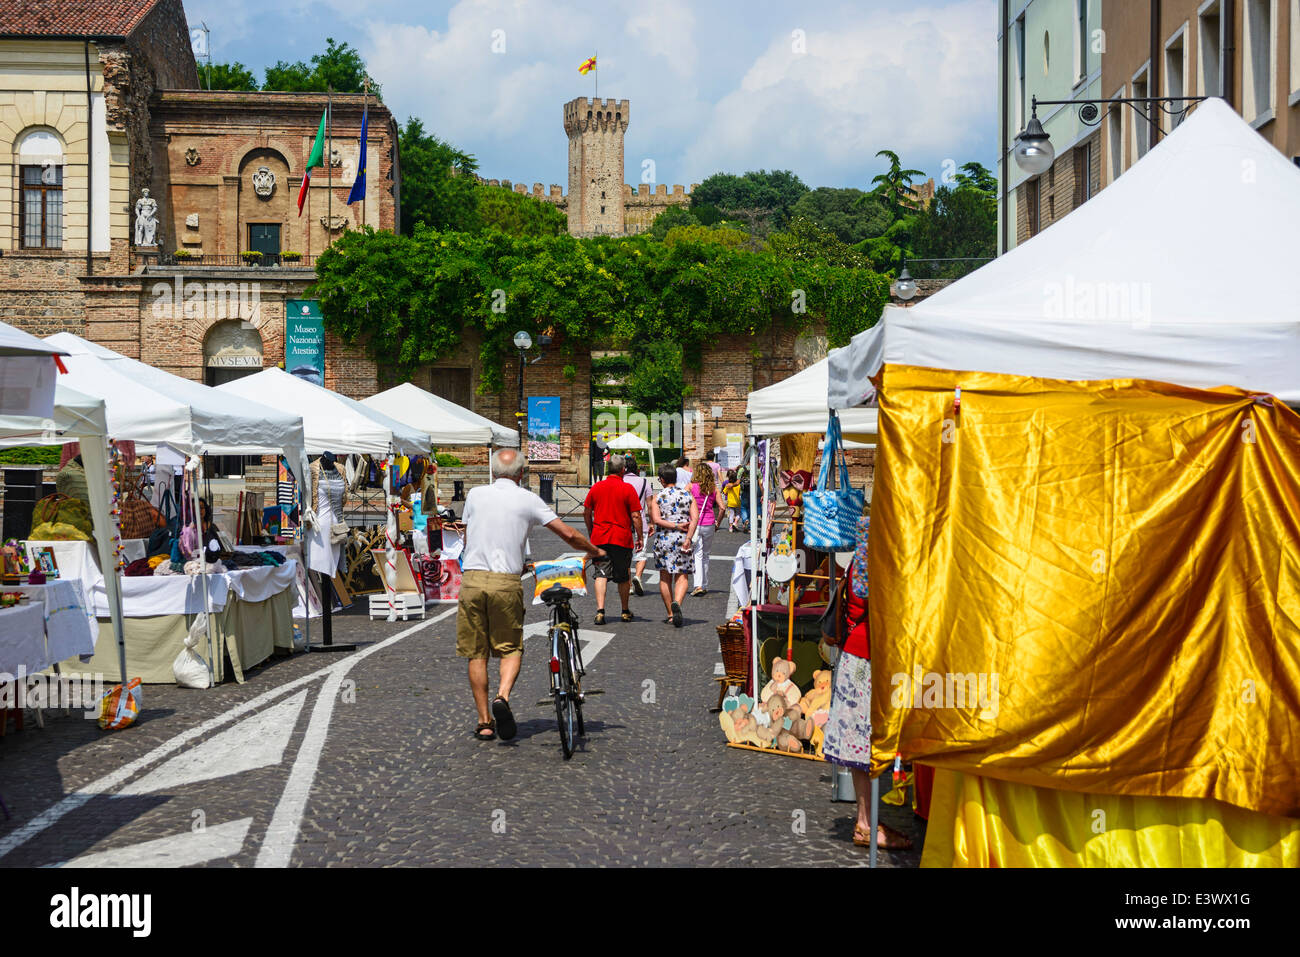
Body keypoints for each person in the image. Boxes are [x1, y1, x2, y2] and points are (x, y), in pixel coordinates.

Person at [459, 448, 603, 742]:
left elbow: (471, 531)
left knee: (477, 652)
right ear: (521, 474)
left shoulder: (474, 495)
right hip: (505, 583)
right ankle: (503, 697)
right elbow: (568, 535)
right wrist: (595, 550)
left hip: (472, 581)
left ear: (493, 471)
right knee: (510, 648)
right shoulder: (527, 499)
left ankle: (485, 721)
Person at [822, 507, 912, 851]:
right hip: (867, 661)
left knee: (863, 745)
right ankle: (865, 822)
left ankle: (866, 819)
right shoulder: (876, 569)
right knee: (867, 744)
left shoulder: (859, 562)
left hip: (855, 659)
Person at [583, 454, 644, 624]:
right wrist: (640, 537)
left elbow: (586, 512)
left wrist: (591, 530)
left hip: (600, 537)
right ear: (623, 470)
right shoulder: (627, 489)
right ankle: (624, 611)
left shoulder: (596, 487)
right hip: (621, 538)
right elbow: (636, 516)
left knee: (600, 574)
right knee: (623, 576)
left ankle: (600, 611)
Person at [649, 462, 698, 627]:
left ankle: (670, 613)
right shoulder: (687, 495)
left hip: (664, 538)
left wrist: (674, 525)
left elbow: (656, 520)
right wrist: (688, 537)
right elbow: (695, 518)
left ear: (662, 480)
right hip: (683, 538)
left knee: (665, 576)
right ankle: (677, 602)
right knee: (682, 575)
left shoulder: (658, 497)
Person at [688, 461, 725, 597]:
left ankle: (698, 585)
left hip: (695, 523)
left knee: (697, 553)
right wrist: (718, 523)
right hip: (709, 523)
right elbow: (722, 508)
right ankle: (704, 584)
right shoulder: (713, 488)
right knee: (706, 554)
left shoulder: (691, 486)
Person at [622, 455, 653, 596]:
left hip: (623, 524)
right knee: (641, 554)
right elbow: (650, 505)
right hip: (641, 522)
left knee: (626, 557)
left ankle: (628, 585)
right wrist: (652, 522)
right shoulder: (644, 482)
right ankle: (638, 576)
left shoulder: (620, 481)